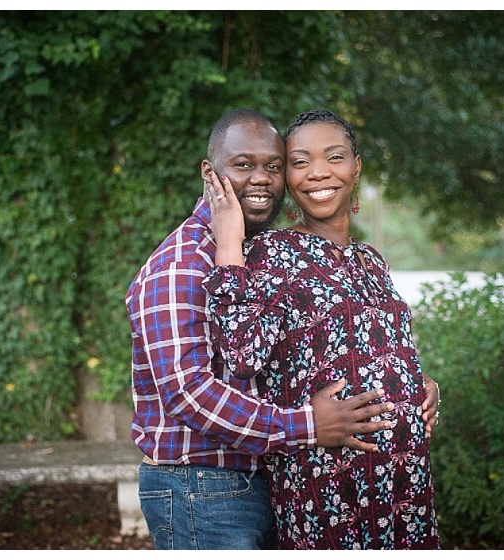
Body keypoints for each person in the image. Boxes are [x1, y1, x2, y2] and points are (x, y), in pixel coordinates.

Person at [127, 108, 439, 550]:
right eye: (244, 164)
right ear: (209, 171)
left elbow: (330, 352)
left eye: (272, 166)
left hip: (341, 483)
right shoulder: (187, 263)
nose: (262, 179)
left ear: (356, 166)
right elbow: (191, 392)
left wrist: (415, 386)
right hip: (203, 484)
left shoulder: (359, 259)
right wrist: (307, 425)